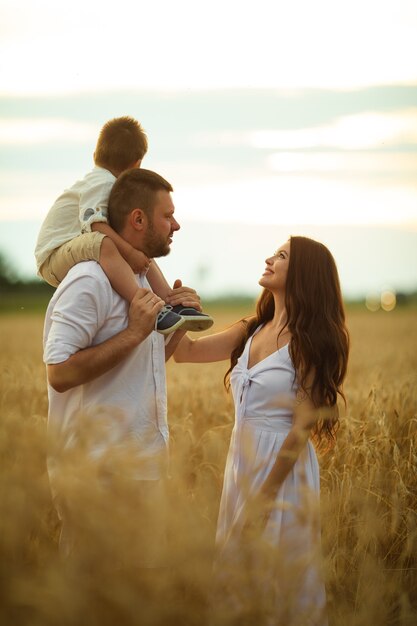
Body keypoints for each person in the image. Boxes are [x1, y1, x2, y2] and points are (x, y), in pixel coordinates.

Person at [174, 236, 350, 625]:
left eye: (282, 255)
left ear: (303, 273)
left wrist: (265, 497)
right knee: (237, 576)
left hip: (282, 474)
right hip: (243, 464)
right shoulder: (251, 329)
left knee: (280, 579)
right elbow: (185, 352)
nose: (269, 259)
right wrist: (179, 311)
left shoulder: (310, 341)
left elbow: (302, 427)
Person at [44, 167, 198, 566]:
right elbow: (59, 373)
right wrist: (133, 333)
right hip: (96, 477)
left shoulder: (142, 284)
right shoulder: (88, 280)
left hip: (146, 469)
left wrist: (179, 326)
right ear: (138, 219)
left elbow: (142, 364)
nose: (176, 224)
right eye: (168, 215)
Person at [35, 115, 213, 334]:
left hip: (75, 245)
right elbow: (95, 226)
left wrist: (134, 250)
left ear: (95, 155)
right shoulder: (100, 182)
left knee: (139, 246)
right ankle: (148, 306)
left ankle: (170, 301)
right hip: (54, 255)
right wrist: (128, 252)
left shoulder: (107, 182)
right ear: (137, 164)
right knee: (106, 244)